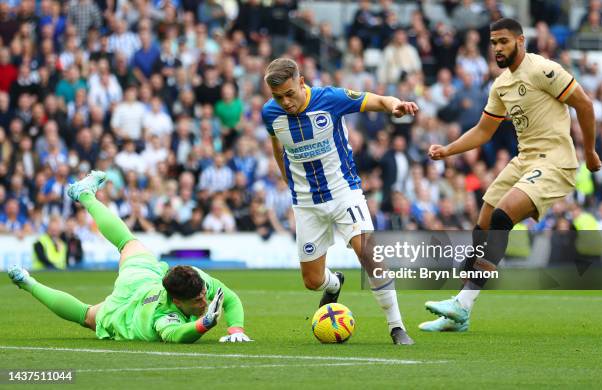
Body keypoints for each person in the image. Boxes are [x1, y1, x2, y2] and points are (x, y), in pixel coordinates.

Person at [420, 18, 602, 332]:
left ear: (520, 40)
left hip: (554, 160)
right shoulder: (501, 85)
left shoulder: (543, 69)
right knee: (484, 221)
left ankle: (462, 303)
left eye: (503, 41)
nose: (497, 48)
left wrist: (589, 152)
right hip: (524, 160)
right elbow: (483, 131)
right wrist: (447, 150)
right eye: (493, 43)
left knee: (503, 217)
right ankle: (460, 312)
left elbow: (584, 104)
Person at [262, 58, 419, 345]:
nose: (285, 102)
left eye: (289, 94)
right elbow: (277, 148)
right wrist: (289, 181)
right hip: (306, 203)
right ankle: (334, 283)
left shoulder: (330, 98)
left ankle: (397, 327)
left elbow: (378, 100)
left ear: (301, 81)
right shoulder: (270, 114)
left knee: (369, 254)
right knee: (312, 281)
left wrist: (395, 105)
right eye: (277, 97)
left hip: (344, 193)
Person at [8, 171, 252, 344]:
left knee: (129, 242)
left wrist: (236, 329)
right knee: (86, 316)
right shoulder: (164, 317)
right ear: (177, 303)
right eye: (198, 301)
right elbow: (178, 335)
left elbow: (229, 298)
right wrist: (204, 323)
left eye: (203, 297)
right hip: (127, 312)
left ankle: (84, 195)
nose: (204, 302)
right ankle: (28, 283)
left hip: (144, 279)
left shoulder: (196, 279)